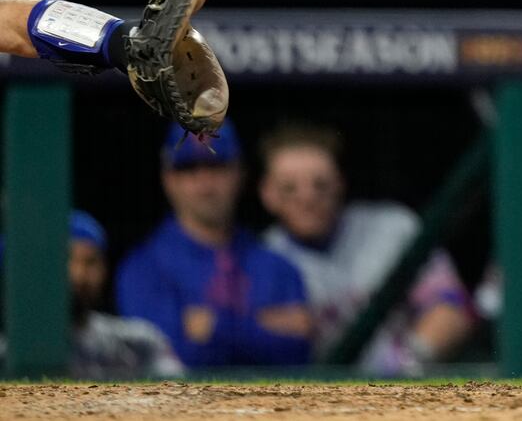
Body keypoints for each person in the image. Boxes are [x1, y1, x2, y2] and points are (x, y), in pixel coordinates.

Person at [259, 123, 474, 374]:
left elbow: (452, 311)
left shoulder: (392, 227)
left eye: (320, 184)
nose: (307, 198)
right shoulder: (259, 258)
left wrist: (407, 364)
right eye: (290, 188)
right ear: (268, 194)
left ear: (340, 184)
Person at [118, 122, 312, 368]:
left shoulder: (278, 266)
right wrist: (262, 324)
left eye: (216, 166)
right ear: (168, 179)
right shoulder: (144, 269)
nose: (205, 183)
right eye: (189, 169)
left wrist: (214, 326)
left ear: (240, 173)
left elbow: (298, 352)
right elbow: (172, 361)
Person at [0, 211, 184, 378]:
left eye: (91, 262)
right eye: (66, 259)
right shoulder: (7, 350)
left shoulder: (139, 344)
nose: (79, 275)